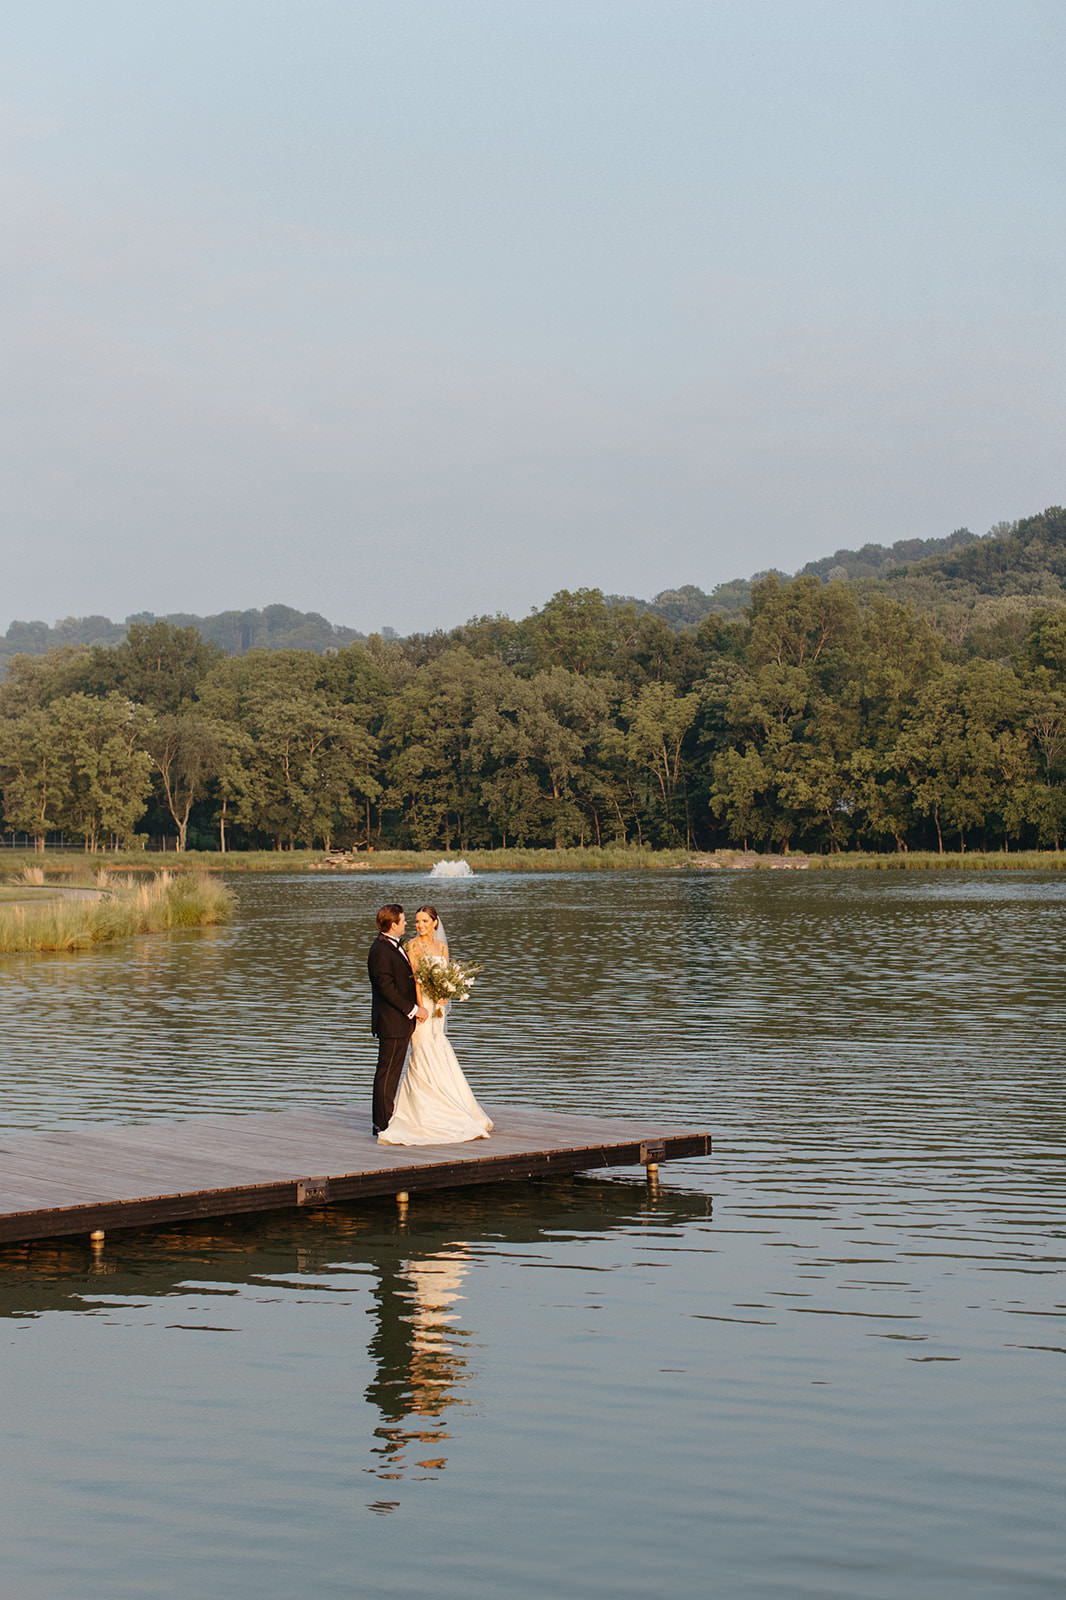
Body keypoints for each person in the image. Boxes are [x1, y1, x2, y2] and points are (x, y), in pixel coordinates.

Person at [377, 904, 493, 1146]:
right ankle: (419, 1112)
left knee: (440, 1051)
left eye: (424, 921)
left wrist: (445, 995)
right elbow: (416, 982)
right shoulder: (412, 946)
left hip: (437, 1008)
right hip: (422, 1009)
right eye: (417, 921)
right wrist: (421, 1008)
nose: (419, 926)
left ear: (435, 923)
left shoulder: (442, 947)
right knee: (422, 1054)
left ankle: (450, 1105)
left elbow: (447, 975)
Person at [367, 904, 428, 1136]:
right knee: (387, 1071)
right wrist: (412, 1009)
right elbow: (386, 988)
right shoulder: (381, 950)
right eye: (402, 920)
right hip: (392, 1022)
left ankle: (384, 1118)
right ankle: (381, 1123)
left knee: (391, 1072)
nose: (406, 924)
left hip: (399, 1022)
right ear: (393, 924)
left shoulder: (392, 946)